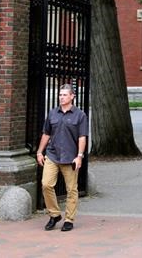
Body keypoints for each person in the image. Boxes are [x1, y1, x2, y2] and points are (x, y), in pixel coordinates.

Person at [36, 84, 88, 232]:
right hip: (52, 154)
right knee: (46, 184)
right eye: (60, 95)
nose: (61, 97)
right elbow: (46, 134)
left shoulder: (80, 115)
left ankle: (69, 219)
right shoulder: (53, 114)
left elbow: (82, 137)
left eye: (65, 95)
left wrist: (79, 156)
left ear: (72, 97)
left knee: (71, 189)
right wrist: (40, 151)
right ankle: (54, 214)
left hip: (70, 157)